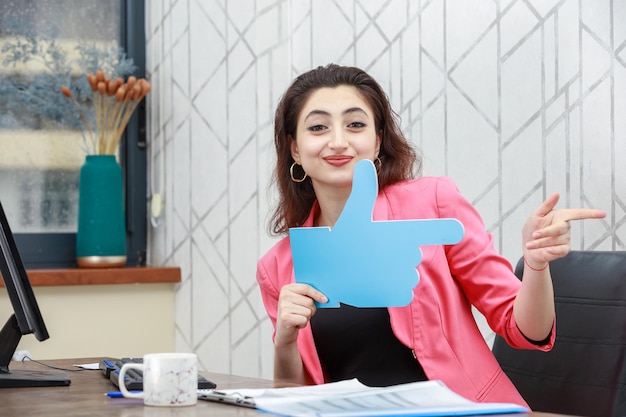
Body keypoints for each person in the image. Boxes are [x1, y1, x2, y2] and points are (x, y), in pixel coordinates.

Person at [255, 63, 606, 407]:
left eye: (355, 124)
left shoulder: (433, 203)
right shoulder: (278, 267)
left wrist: (535, 266)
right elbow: (295, 400)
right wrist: (286, 340)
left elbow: (526, 330)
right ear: (295, 149)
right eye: (318, 127)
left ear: (377, 141)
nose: (337, 141)